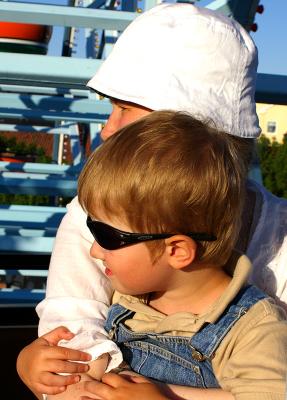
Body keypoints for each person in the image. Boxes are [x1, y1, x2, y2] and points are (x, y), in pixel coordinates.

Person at [16, 2, 287, 399]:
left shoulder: (277, 235)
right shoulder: (96, 214)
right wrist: (36, 363)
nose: (108, 129)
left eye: (124, 107)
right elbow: (70, 320)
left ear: (190, 126)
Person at [76, 110, 286, 399]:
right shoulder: (128, 295)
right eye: (91, 226)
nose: (94, 250)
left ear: (177, 250)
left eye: (108, 236)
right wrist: (38, 366)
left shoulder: (252, 329)